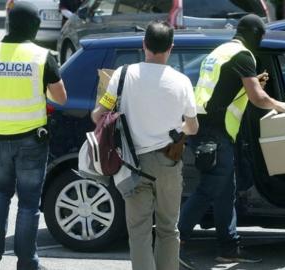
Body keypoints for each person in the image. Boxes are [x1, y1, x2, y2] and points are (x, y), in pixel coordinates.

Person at [178, 14, 285, 269]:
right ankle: (172, 243)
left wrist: (251, 85)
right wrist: (280, 105)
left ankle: (228, 248)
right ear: (254, 35)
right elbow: (258, 98)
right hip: (214, 133)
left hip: (204, 128)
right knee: (208, 190)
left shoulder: (220, 51)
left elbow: (223, 88)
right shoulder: (242, 55)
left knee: (224, 192)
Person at [91, 21, 199, 270]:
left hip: (132, 165)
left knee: (139, 231)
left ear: (144, 45)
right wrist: (176, 129)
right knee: (168, 229)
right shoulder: (181, 81)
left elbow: (98, 115)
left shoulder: (122, 74)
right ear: (170, 48)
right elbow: (192, 127)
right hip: (168, 163)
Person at [0, 2, 67, 270]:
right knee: (28, 203)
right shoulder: (41, 56)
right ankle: (27, 262)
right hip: (31, 140)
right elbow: (61, 97)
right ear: (35, 27)